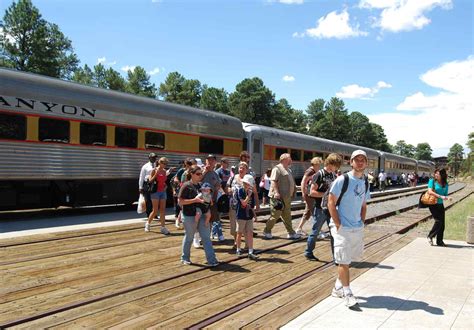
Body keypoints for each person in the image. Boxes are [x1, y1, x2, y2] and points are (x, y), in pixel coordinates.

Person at [328, 150, 371, 308]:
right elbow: (331, 202)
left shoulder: (365, 182)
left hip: (356, 226)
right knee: (343, 261)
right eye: (356, 160)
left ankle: (337, 288)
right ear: (351, 162)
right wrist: (338, 224)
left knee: (350, 258)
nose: (360, 162)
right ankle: (348, 293)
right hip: (342, 227)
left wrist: (361, 222)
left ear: (366, 163)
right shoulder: (342, 179)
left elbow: (364, 204)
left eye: (363, 160)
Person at [178, 165, 219, 266]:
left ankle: (212, 260)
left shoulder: (201, 185)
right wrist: (194, 200)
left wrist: (209, 202)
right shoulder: (186, 185)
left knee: (206, 237)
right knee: (189, 237)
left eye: (201, 173)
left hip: (202, 215)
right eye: (198, 174)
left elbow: (206, 199)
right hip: (189, 215)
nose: (200, 175)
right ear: (191, 174)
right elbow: (180, 201)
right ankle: (185, 257)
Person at [304, 153, 342, 261]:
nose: (336, 168)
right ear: (331, 163)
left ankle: (336, 257)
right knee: (315, 232)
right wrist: (327, 195)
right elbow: (312, 192)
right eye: (336, 165)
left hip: (331, 208)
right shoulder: (318, 175)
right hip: (320, 209)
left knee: (334, 232)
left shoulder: (334, 176)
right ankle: (308, 252)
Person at [263, 153, 300, 240]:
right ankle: (267, 230)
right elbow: (274, 181)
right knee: (275, 214)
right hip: (278, 197)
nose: (291, 160)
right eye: (289, 159)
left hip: (287, 196)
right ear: (284, 159)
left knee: (287, 215)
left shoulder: (288, 170)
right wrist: (276, 192)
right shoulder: (277, 168)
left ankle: (291, 233)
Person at [144, 157, 174, 234]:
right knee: (155, 210)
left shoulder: (164, 171)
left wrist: (165, 186)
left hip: (162, 192)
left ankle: (163, 227)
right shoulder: (154, 170)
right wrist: (156, 174)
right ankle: (148, 223)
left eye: (166, 164)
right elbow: (150, 181)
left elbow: (163, 181)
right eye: (164, 163)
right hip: (155, 192)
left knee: (163, 210)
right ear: (160, 163)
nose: (165, 165)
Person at [296, 157, 323, 236]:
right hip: (309, 194)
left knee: (308, 212)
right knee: (315, 212)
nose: (320, 166)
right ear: (316, 164)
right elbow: (303, 182)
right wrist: (303, 193)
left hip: (309, 194)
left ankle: (299, 229)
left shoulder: (313, 171)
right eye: (319, 164)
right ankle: (318, 230)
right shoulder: (310, 171)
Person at [235, 174, 259, 260]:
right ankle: (238, 249)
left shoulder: (250, 192)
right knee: (239, 232)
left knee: (250, 233)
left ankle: (250, 251)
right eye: (248, 184)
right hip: (241, 215)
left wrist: (254, 215)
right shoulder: (240, 191)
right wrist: (248, 195)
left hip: (249, 216)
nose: (249, 186)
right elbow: (244, 203)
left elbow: (250, 206)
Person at [426, 168, 449, 247]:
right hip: (432, 204)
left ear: (442, 175)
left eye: (438, 174)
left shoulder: (445, 184)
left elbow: (445, 194)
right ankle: (430, 236)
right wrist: (440, 196)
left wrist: (447, 197)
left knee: (442, 224)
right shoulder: (432, 181)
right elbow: (430, 191)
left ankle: (440, 241)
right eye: (435, 173)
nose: (436, 175)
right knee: (438, 221)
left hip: (440, 204)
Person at [138, 153, 157, 218]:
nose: (154, 159)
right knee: (148, 199)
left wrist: (169, 171)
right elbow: (141, 177)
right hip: (147, 184)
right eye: (153, 157)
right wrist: (140, 187)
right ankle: (149, 214)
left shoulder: (157, 165)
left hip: (155, 184)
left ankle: (154, 213)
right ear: (149, 158)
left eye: (155, 157)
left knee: (154, 199)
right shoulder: (145, 166)